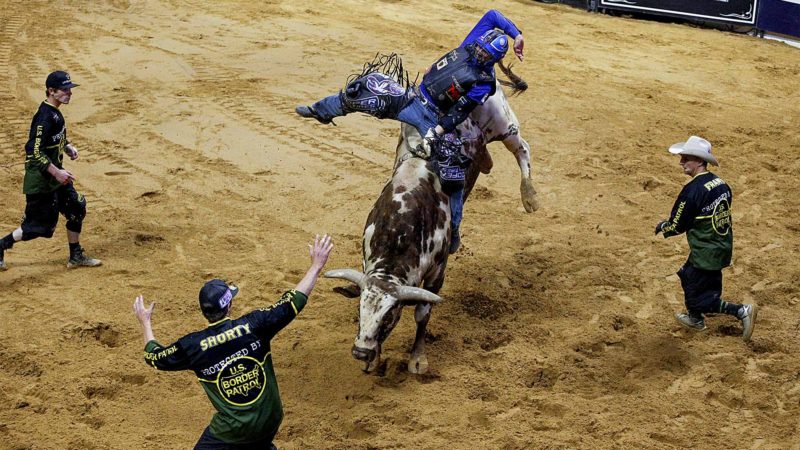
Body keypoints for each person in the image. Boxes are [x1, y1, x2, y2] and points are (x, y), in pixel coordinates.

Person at [295, 9, 525, 254]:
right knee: (365, 87)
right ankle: (320, 111)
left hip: (435, 118)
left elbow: (459, 112)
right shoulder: (471, 44)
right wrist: (517, 34)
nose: (478, 52)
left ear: (491, 59)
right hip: (413, 98)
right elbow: (492, 15)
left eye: (484, 53)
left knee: (453, 175)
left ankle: (454, 230)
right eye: (479, 48)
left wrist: (436, 131)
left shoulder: (484, 84)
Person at [133, 234, 334, 450]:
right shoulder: (256, 325)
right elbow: (292, 301)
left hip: (232, 432)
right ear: (228, 307)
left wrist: (145, 322)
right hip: (269, 420)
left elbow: (154, 357)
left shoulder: (192, 346)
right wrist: (315, 266)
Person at [655, 136, 757, 341]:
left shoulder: (692, 191)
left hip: (705, 251)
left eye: (686, 158)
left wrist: (663, 227)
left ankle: (740, 311)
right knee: (688, 275)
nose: (681, 162)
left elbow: (677, 225)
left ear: (700, 161)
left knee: (701, 297)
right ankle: (695, 318)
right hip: (720, 246)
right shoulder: (721, 183)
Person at [0, 71, 100, 271]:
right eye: (64, 90)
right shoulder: (45, 116)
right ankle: (1, 244)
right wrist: (57, 173)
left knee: (76, 207)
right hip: (41, 181)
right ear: (51, 91)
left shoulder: (56, 113)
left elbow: (53, 139)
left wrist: (67, 146)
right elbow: (34, 151)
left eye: (69, 89)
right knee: (37, 227)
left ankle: (75, 255)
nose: (69, 93)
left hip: (55, 177)